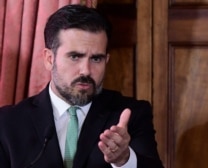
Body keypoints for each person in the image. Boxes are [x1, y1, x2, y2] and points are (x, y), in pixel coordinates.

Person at [0, 4, 164, 168]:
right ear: (49, 59)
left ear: (106, 60)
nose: (86, 71)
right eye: (75, 57)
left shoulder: (130, 115)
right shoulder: (8, 122)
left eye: (96, 59)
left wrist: (124, 160)